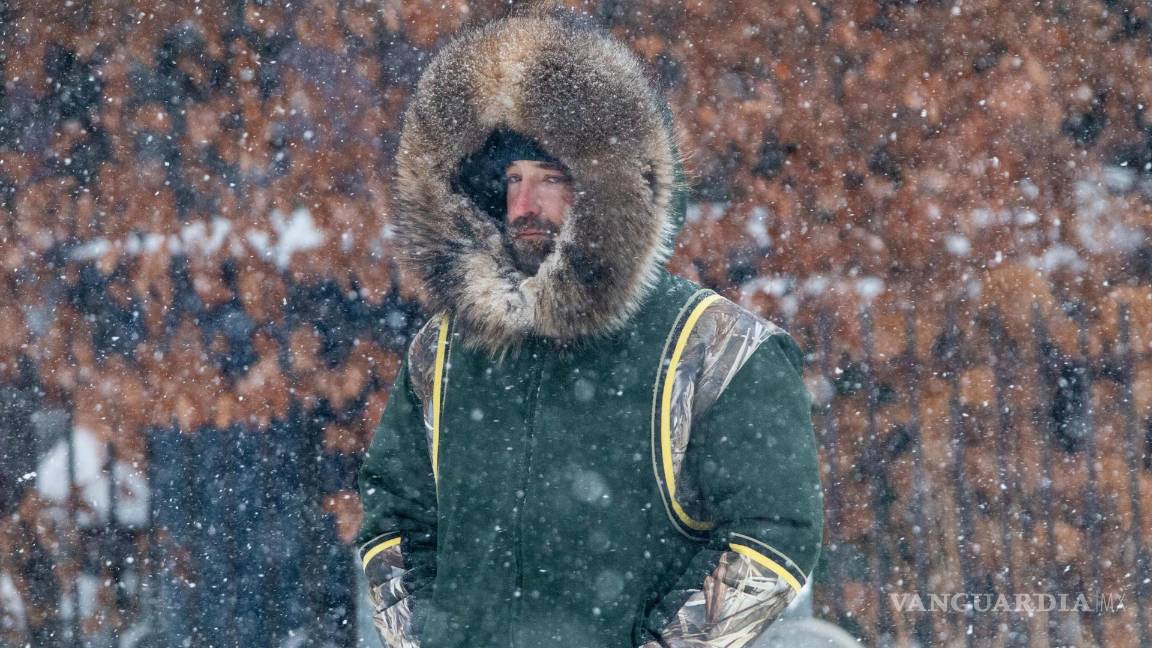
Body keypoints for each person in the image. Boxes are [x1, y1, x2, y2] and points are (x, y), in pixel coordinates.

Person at [356, 6, 823, 648]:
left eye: (552, 178)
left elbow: (775, 536)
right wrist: (428, 638)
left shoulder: (717, 348)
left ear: (615, 188)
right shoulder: (442, 351)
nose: (524, 205)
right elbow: (392, 516)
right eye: (511, 179)